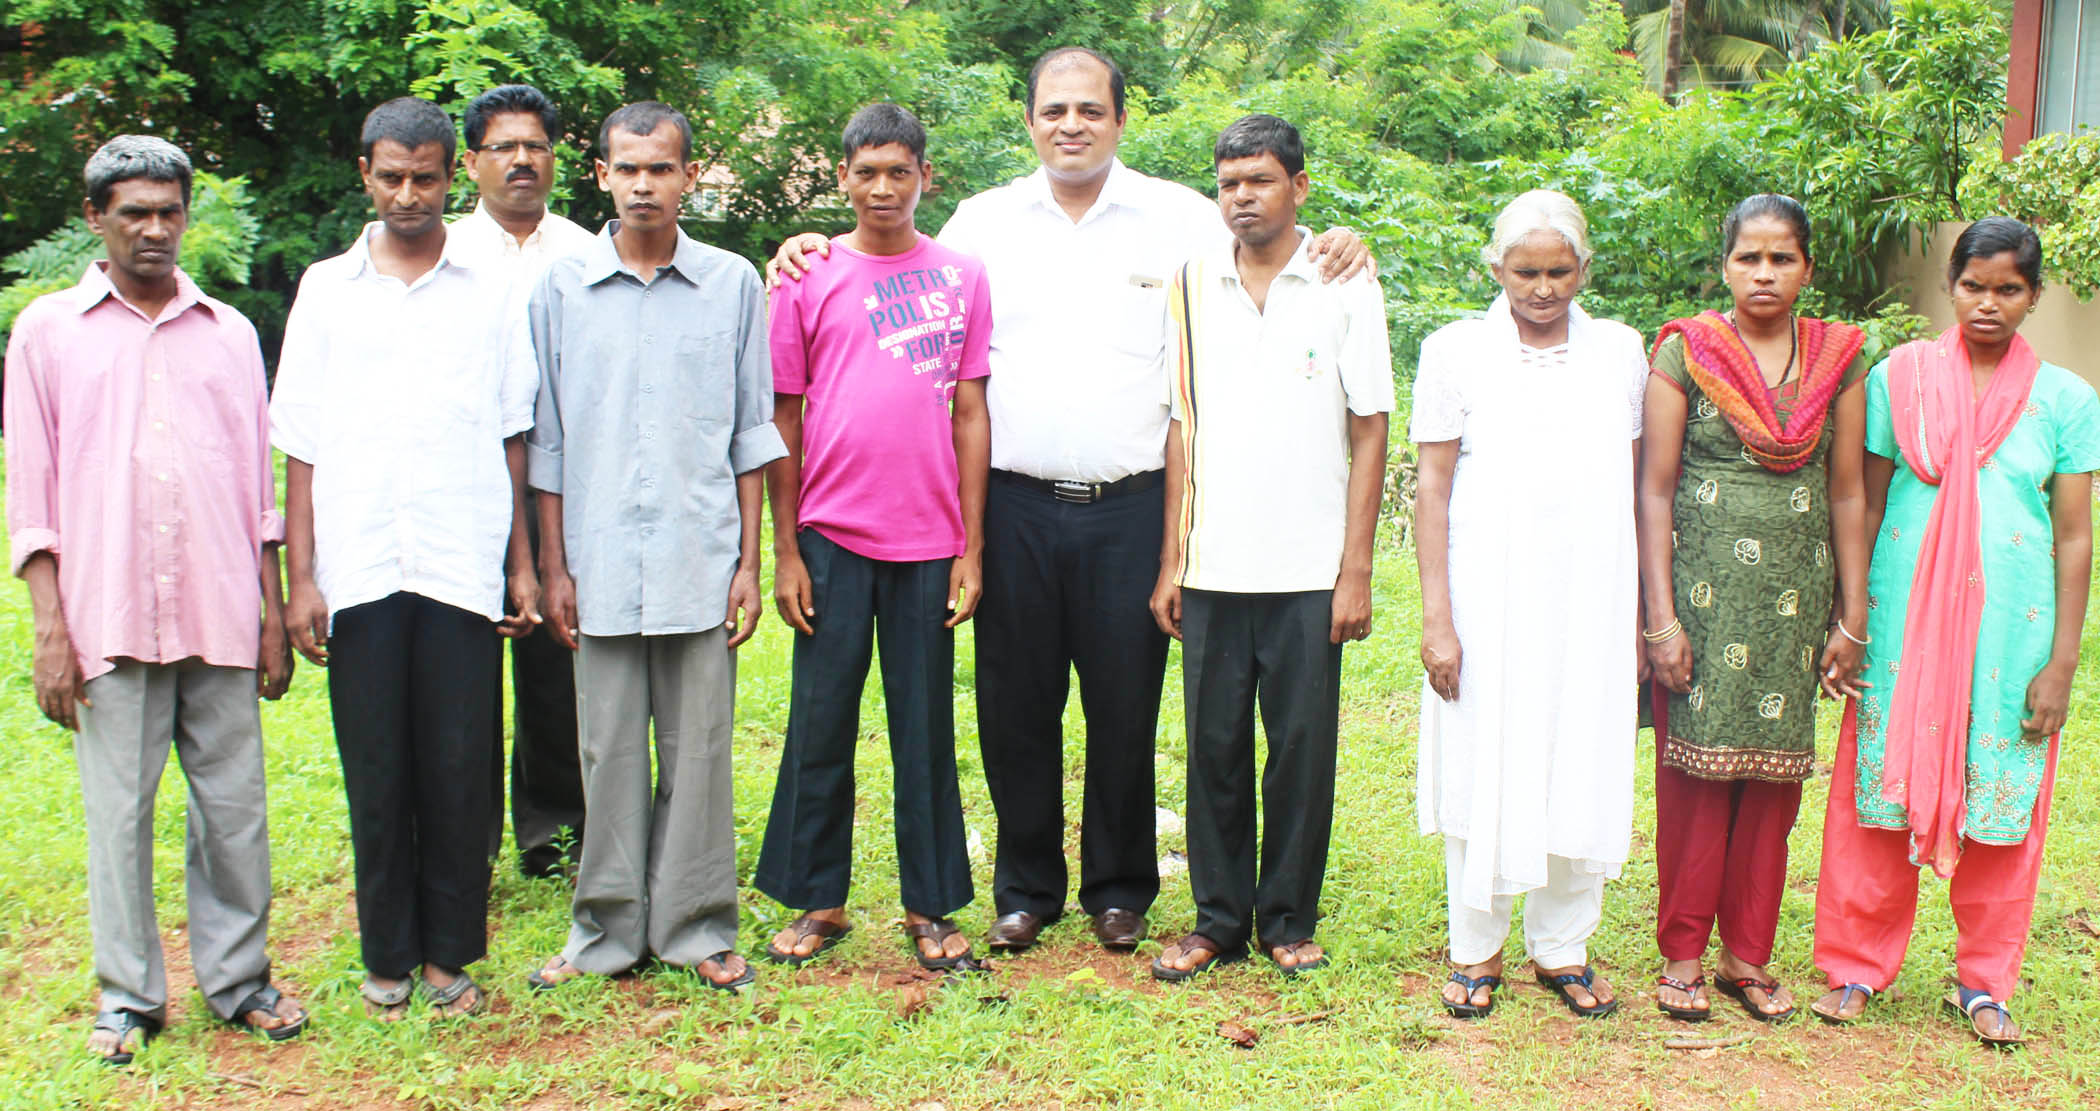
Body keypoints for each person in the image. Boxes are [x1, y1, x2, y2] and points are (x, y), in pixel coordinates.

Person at [772, 47, 1368, 955]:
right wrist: (802, 245)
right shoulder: (981, 223)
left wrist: (1341, 240)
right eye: (1054, 111)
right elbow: (894, 262)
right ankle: (1026, 888)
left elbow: (1268, 250)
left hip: (1132, 505)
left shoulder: (1179, 219)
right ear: (1030, 120)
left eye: (1090, 110)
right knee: (1015, 703)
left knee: (1126, 704)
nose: (1071, 125)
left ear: (1121, 121)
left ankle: (1121, 887)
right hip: (1011, 504)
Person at [4, 135, 308, 1064]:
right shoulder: (49, 332)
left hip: (219, 607)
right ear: (95, 218)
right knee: (119, 814)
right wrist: (52, 630)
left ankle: (239, 977)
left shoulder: (227, 332)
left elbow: (259, 495)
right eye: (132, 211)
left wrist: (271, 611)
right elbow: (35, 492)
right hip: (108, 615)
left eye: (168, 211)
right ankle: (129, 994)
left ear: (186, 217)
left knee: (235, 810)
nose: (153, 228)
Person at [272, 96, 541, 1020]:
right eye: (392, 176)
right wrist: (301, 578)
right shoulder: (323, 290)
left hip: (462, 563)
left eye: (426, 176)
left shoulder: (491, 290)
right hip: (360, 566)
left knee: (463, 766)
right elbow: (299, 446)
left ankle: (449, 959)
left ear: (449, 174)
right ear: (366, 175)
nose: (410, 193)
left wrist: (523, 565)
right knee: (376, 767)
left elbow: (515, 435)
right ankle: (386, 955)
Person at [1810, 218, 2098, 1046]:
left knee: (2003, 798)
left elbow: (2074, 533)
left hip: (2013, 632)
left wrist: (2062, 661)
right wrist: (1852, 616)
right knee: (1878, 791)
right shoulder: (1899, 377)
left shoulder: (2067, 400)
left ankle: (1984, 980)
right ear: (1949, 284)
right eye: (1975, 285)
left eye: (2010, 289)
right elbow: (1861, 499)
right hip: (1903, 623)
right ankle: (1855, 965)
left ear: (2035, 296)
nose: (1989, 303)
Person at [524, 102, 784, 994]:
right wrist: (554, 566)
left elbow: (751, 432)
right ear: (600, 175)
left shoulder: (733, 284)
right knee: (606, 751)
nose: (644, 184)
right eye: (627, 168)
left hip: (698, 555)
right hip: (595, 559)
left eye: (661, 168)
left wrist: (749, 561)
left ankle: (697, 924)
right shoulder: (560, 289)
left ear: (688, 175)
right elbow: (549, 443)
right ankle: (604, 928)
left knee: (701, 747)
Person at [1146, 115, 1391, 982]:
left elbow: (1371, 431)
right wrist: (1174, 559)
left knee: (1299, 750)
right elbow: (1182, 424)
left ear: (1299, 186)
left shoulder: (1345, 284)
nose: (1242, 197)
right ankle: (1216, 919)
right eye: (1228, 183)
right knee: (1211, 747)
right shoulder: (1189, 279)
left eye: (1259, 180)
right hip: (1213, 563)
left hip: (1308, 569)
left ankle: (1288, 917)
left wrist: (1353, 569)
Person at [753, 103, 993, 971]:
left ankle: (932, 906)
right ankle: (817, 899)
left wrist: (970, 545)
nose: (883, 187)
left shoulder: (963, 275)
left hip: (929, 542)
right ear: (843, 177)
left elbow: (971, 409)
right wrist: (785, 550)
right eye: (867, 171)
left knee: (924, 725)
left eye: (900, 171)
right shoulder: (804, 277)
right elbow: (783, 413)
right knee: (821, 718)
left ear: (925, 176)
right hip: (830, 538)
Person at [1635, 194, 1871, 1024]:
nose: (1764, 273)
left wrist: (1850, 617)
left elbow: (1846, 492)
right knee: (1693, 780)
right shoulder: (1684, 352)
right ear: (1725, 265)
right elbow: (1654, 490)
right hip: (1701, 599)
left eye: (1782, 258)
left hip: (1792, 604)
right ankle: (1682, 955)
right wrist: (1659, 617)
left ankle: (1746, 956)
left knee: (1773, 786)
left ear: (1808, 267)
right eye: (1749, 258)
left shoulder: (1840, 357)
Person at [1412, 190, 1645, 1021]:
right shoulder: (1453, 350)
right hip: (1486, 593)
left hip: (1591, 592)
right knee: (1484, 754)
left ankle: (1563, 947)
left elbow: (1633, 477)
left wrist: (1644, 610)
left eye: (1558, 270)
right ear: (1495, 269)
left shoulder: (1621, 351)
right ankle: (1475, 948)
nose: (1543, 288)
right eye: (1525, 271)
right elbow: (1431, 488)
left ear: (1584, 267)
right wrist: (1438, 618)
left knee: (1578, 748)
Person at [456, 83, 597, 877]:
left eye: (535, 147)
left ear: (555, 159)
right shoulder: (443, 253)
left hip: (559, 486)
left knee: (557, 666)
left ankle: (557, 834)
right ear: (473, 162)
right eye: (504, 148)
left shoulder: (583, 252)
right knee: (465, 679)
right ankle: (464, 841)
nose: (521, 161)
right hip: (467, 485)